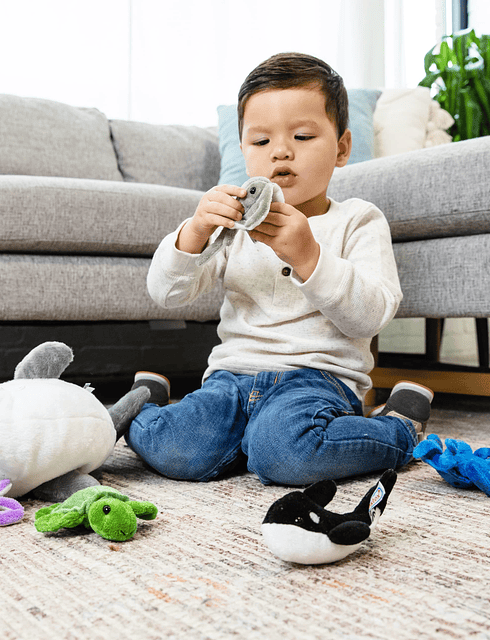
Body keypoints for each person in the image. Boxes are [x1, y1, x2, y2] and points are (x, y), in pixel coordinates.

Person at [125, 52, 433, 486]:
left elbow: (372, 314)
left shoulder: (358, 219)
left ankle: (399, 425)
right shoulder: (232, 227)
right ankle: (149, 399)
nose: (282, 151)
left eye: (304, 136)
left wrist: (309, 257)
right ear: (242, 151)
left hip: (318, 381)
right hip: (231, 378)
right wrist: (193, 233)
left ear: (342, 148)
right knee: (173, 447)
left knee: (284, 454)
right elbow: (166, 294)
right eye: (261, 141)